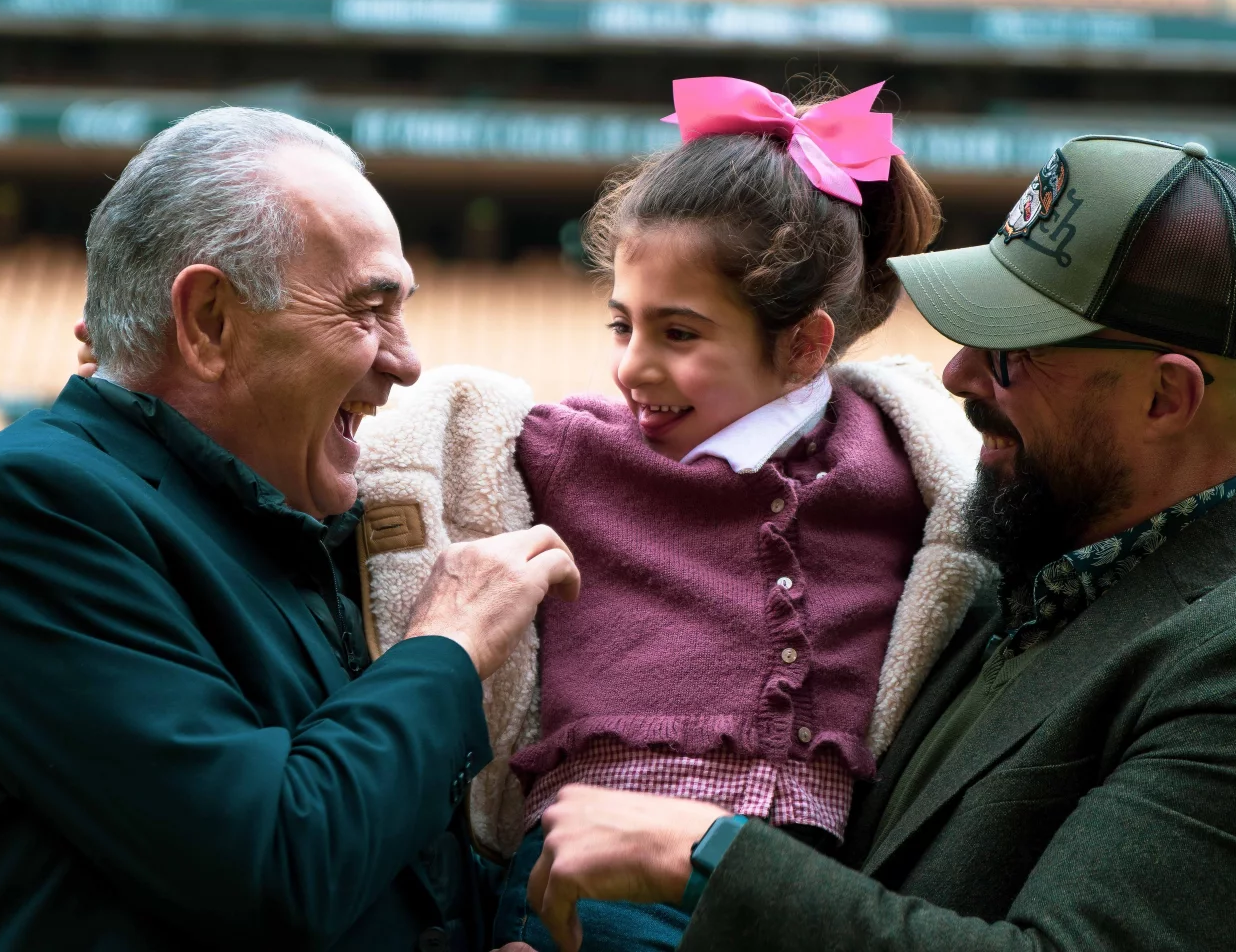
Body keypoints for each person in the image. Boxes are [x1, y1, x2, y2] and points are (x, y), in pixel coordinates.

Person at [514, 136, 1236, 952]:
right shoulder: (1000, 568)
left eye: (1012, 352)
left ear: (1166, 398)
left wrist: (706, 855)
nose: (957, 373)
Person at [0, 107, 580, 951]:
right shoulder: (38, 503)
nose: (406, 362)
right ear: (209, 319)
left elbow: (365, 854)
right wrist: (446, 646)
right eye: (369, 308)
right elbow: (275, 864)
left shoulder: (279, 521)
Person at [349, 77, 997, 952]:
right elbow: (407, 468)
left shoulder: (903, 463)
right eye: (624, 326)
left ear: (806, 343)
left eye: (679, 334)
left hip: (797, 893)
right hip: (592, 881)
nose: (634, 366)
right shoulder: (569, 448)